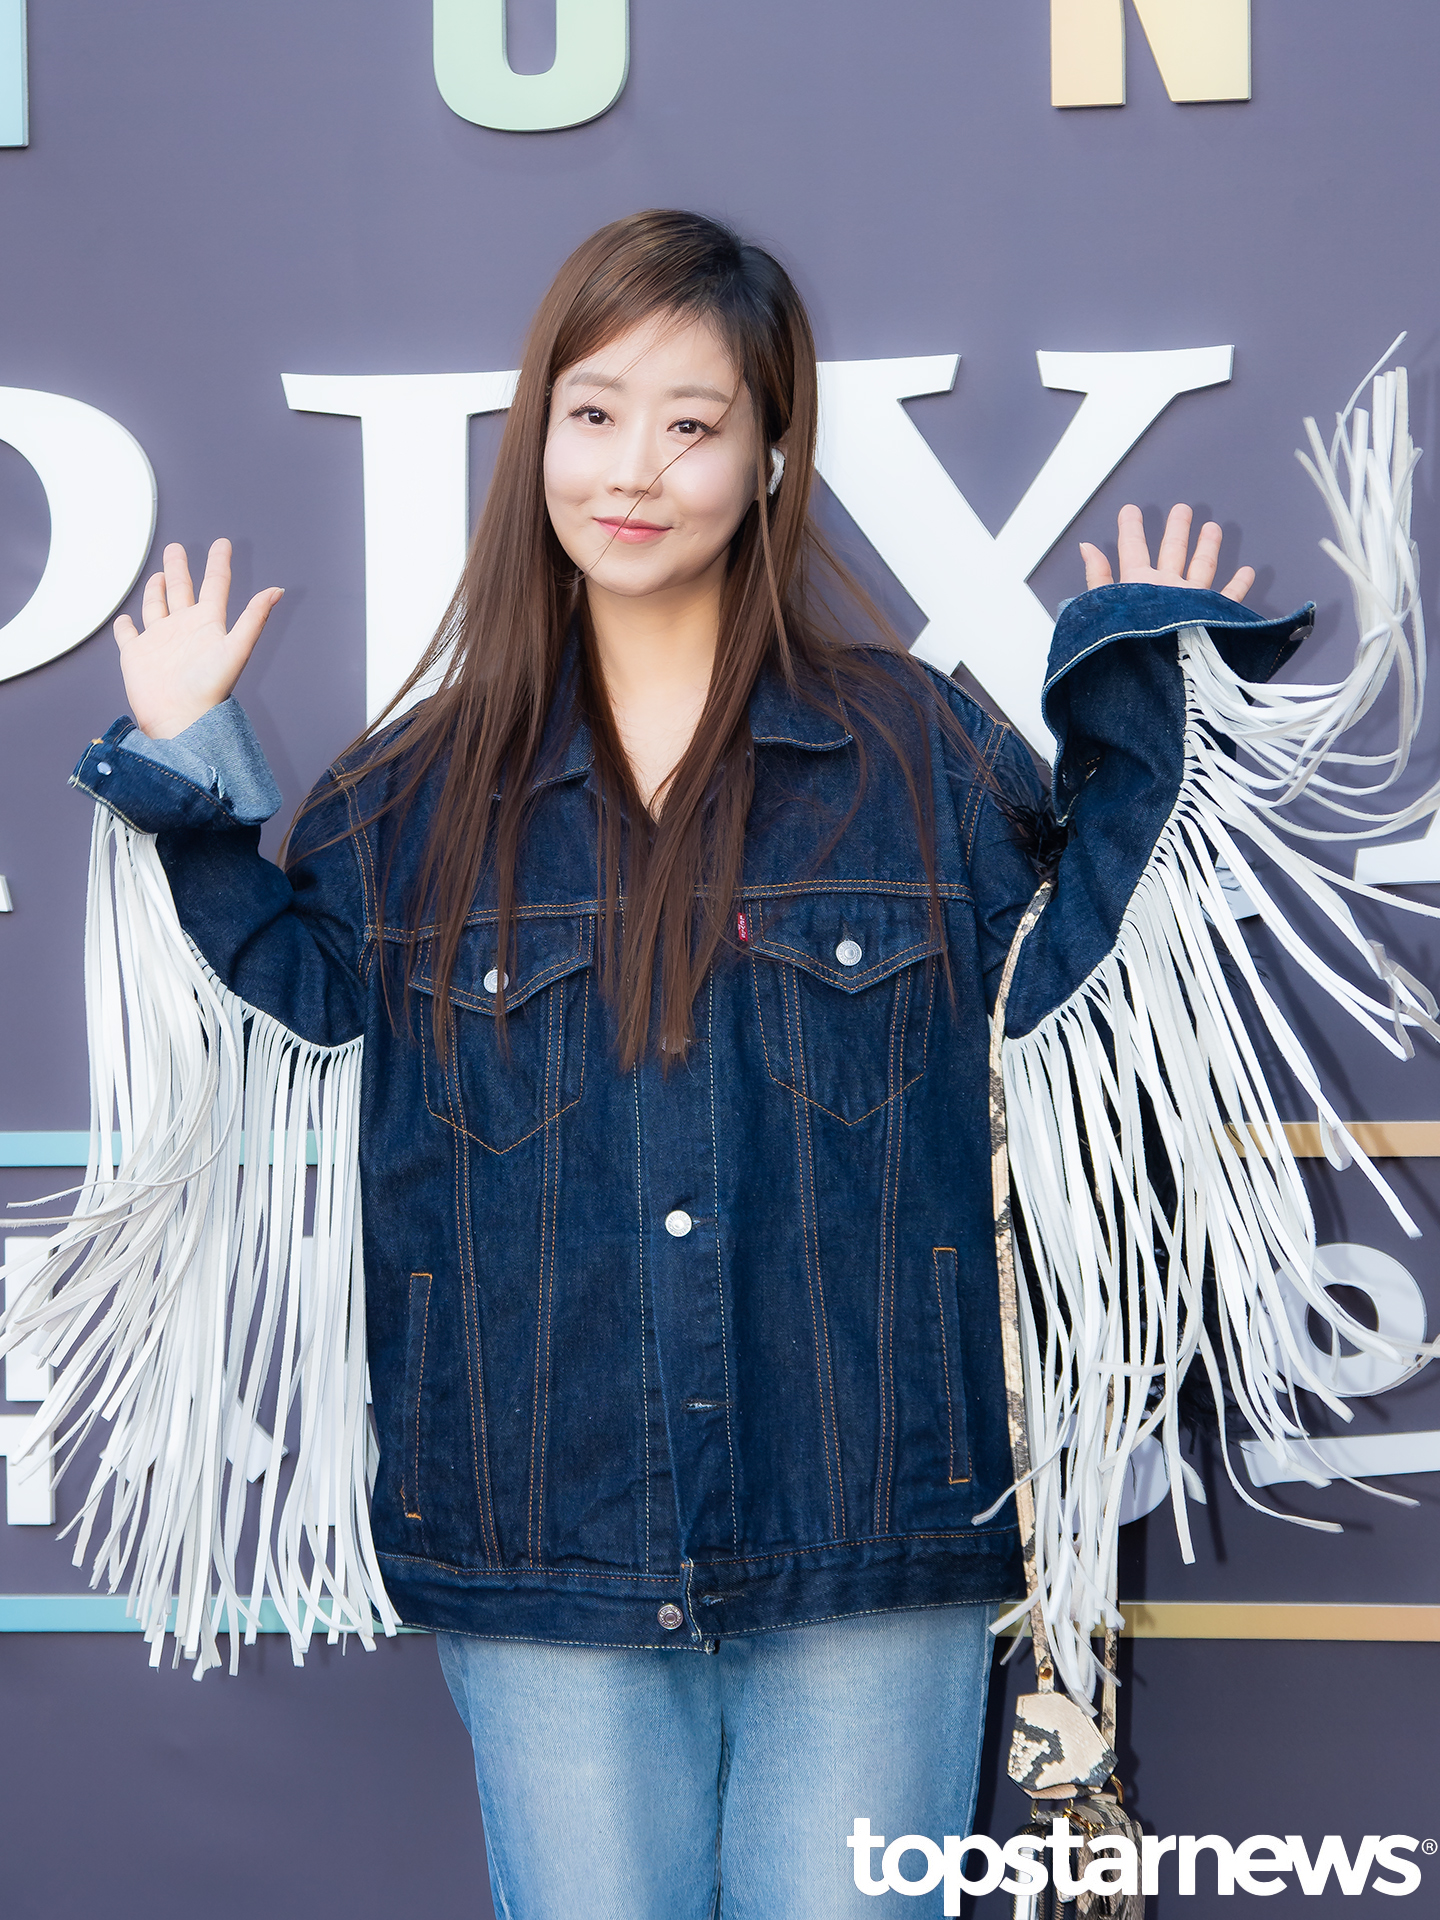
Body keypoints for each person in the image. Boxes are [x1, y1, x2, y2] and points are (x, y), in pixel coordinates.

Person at [31, 211, 1430, 1916]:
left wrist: (1146, 706)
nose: (635, 468)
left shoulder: (916, 752)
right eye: (595, 412)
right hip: (542, 1534)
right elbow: (288, 1025)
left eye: (692, 422)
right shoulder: (408, 798)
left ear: (769, 457)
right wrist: (186, 770)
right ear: (539, 434)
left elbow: (1074, 1005)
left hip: (873, 1527)